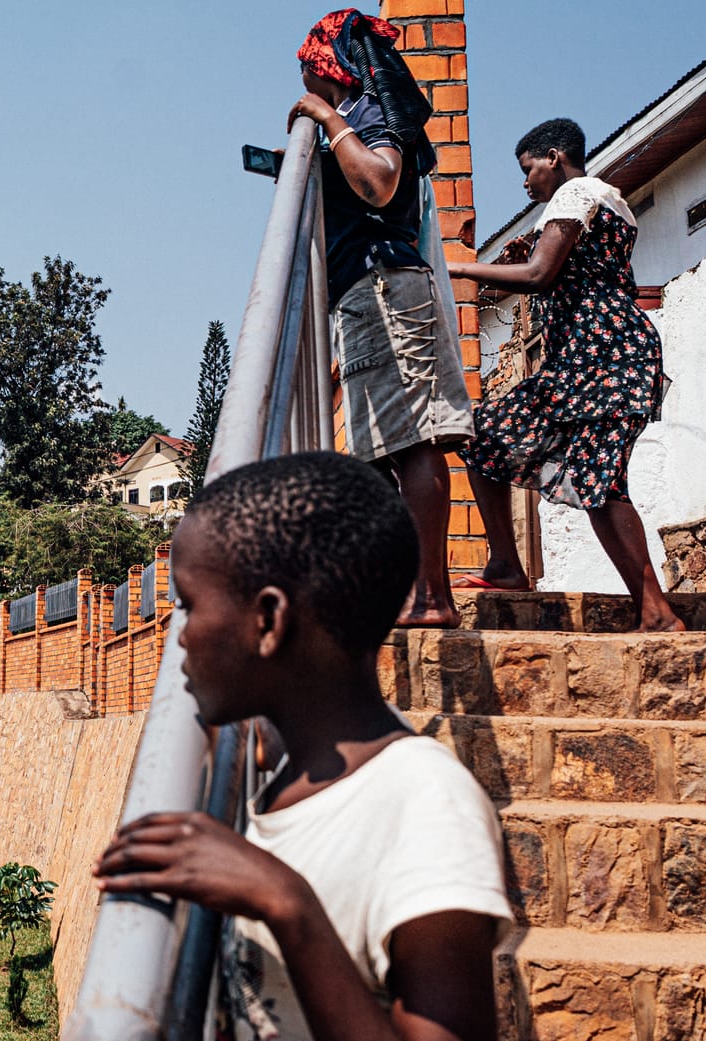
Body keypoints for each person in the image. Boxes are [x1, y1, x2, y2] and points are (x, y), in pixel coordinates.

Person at [95, 452, 509, 1041]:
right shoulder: (270, 779)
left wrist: (289, 905)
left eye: (187, 606)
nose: (176, 637)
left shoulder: (424, 805)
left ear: (269, 620)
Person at [448, 118, 685, 632]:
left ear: (554, 157)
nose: (526, 183)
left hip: (605, 358)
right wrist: (528, 256)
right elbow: (557, 271)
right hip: (592, 361)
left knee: (601, 484)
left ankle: (658, 614)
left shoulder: (575, 192)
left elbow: (539, 275)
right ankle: (507, 567)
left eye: (528, 169)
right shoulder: (605, 200)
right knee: (484, 436)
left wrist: (462, 268)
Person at [291, 8, 473, 627]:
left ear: (327, 68)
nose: (304, 86)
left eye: (307, 71)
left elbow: (380, 184)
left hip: (386, 286)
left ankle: (432, 598)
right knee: (378, 452)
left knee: (413, 441)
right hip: (366, 295)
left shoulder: (367, 111)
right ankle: (404, 591)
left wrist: (327, 118)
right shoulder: (360, 114)